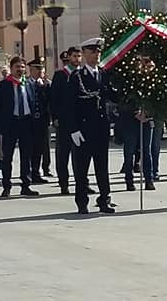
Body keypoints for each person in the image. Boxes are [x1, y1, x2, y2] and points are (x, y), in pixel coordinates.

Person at [64, 38, 117, 214]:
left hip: (101, 128)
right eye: (92, 51)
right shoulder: (77, 77)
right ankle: (82, 201)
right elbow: (69, 106)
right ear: (85, 53)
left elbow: (111, 96)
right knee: (82, 168)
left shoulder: (103, 74)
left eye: (98, 51)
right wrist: (73, 129)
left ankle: (104, 199)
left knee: (102, 167)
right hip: (84, 129)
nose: (96, 54)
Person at [0, 56, 40, 198]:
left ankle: (26, 184)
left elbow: (33, 102)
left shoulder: (29, 84)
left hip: (26, 122)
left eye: (22, 67)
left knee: (26, 156)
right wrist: (2, 122)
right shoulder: (3, 85)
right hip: (11, 123)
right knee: (7, 156)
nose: (20, 70)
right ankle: (6, 185)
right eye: (17, 67)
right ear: (11, 68)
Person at [50, 48, 80, 195]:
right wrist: (54, 117)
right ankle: (64, 183)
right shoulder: (60, 75)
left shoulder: (82, 74)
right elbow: (53, 98)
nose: (77, 59)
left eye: (79, 56)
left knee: (80, 154)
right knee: (63, 154)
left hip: (80, 121)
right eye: (74, 56)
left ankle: (82, 183)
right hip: (63, 121)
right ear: (68, 57)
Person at [27, 57, 52, 182]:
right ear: (31, 70)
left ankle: (37, 172)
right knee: (29, 147)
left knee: (40, 147)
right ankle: (28, 172)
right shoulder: (26, 83)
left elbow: (49, 102)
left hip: (42, 120)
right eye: (38, 69)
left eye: (41, 69)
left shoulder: (46, 84)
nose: (40, 72)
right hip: (29, 121)